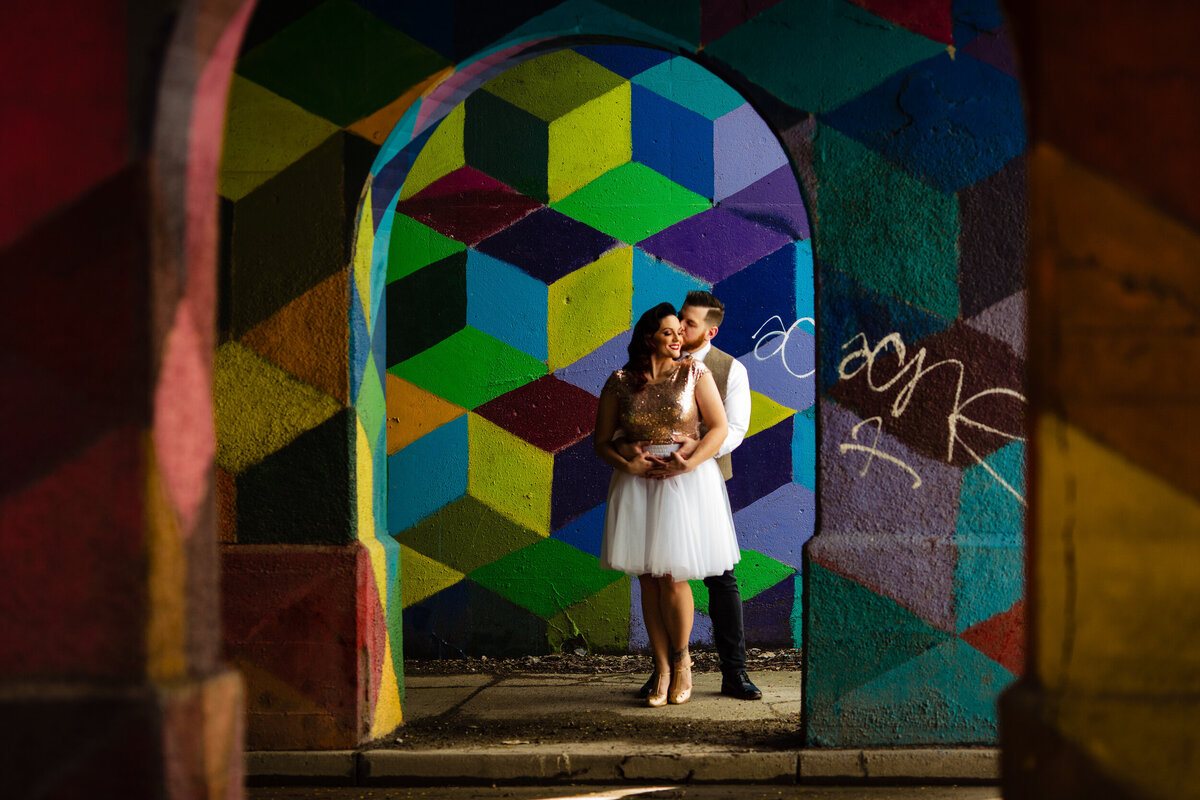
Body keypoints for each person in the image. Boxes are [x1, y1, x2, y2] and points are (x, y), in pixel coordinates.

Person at [594, 303, 741, 707]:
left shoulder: (696, 372)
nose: (679, 339)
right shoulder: (620, 381)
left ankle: (682, 663)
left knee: (674, 577)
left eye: (681, 331)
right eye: (669, 332)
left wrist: (688, 463)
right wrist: (629, 462)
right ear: (648, 338)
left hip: (685, 482)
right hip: (638, 483)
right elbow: (601, 442)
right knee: (648, 578)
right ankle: (660, 669)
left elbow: (720, 428)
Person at [623, 291, 762, 701]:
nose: (681, 329)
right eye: (679, 321)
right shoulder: (645, 371)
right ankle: (663, 670)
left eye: (690, 324)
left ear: (711, 330)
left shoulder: (728, 370)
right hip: (656, 482)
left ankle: (734, 673)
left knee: (720, 577)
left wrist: (691, 456)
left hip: (702, 484)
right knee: (659, 572)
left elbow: (733, 430)